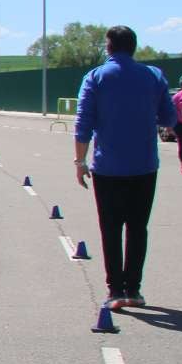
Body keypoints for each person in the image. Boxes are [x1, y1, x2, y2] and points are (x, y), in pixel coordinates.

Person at [73, 26, 175, 311]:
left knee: (110, 227)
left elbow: (83, 124)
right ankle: (134, 289)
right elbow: (169, 117)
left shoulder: (95, 77)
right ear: (134, 47)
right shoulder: (153, 76)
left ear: (109, 47)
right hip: (144, 165)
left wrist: (80, 162)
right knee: (138, 227)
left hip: (107, 167)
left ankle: (115, 290)